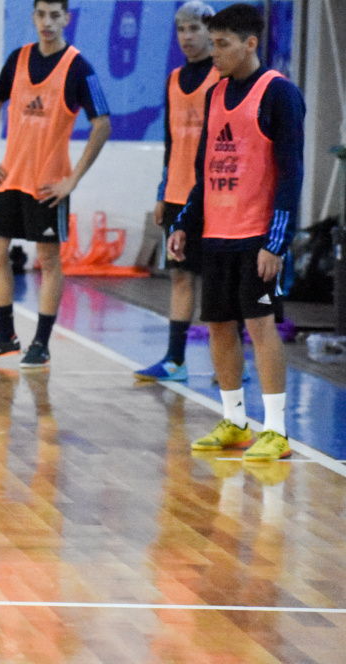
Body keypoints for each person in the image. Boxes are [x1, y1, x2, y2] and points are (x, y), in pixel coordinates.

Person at [167, 3, 304, 462]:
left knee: (260, 327)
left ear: (250, 43)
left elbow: (291, 175)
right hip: (217, 234)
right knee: (219, 327)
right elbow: (205, 166)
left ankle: (277, 431)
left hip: (256, 237)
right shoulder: (215, 93)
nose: (214, 52)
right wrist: (186, 222)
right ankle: (234, 422)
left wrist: (276, 242)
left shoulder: (279, 94)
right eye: (213, 42)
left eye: (222, 44)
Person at [0, 0, 110, 368]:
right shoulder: (18, 59)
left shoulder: (79, 67)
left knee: (47, 259)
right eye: (41, 14)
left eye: (55, 15)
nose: (47, 22)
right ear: (33, 17)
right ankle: (4, 337)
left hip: (48, 184)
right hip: (10, 177)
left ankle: (41, 343)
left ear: (67, 19)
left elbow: (102, 123)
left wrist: (71, 180)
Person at [134, 1, 218, 383]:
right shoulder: (173, 80)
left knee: (218, 280)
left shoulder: (222, 77)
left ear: (210, 32)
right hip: (177, 195)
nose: (187, 37)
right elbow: (170, 142)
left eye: (195, 29)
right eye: (182, 30)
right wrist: (161, 191)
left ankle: (226, 364)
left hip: (214, 197)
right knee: (180, 276)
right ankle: (175, 359)